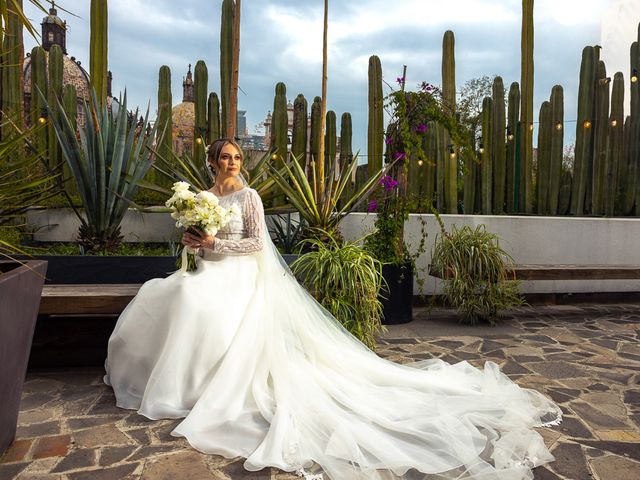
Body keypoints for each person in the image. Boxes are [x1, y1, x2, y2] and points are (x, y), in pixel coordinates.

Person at [104, 138, 562, 480]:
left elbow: (255, 244)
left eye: (238, 157)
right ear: (212, 162)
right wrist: (196, 244)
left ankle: (203, 388)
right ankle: (177, 383)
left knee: (196, 304)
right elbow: (203, 249)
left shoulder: (248, 198)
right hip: (210, 269)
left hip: (241, 275)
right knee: (171, 293)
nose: (232, 163)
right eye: (225, 157)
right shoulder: (203, 197)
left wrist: (213, 241)